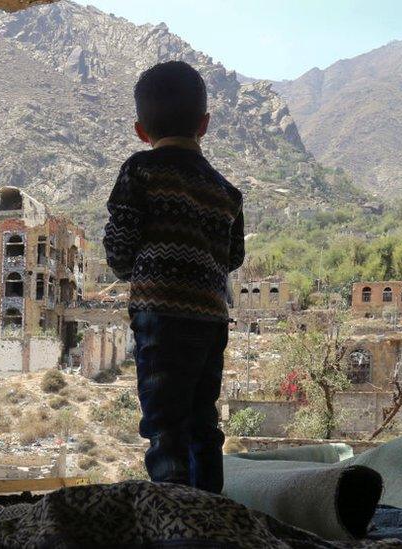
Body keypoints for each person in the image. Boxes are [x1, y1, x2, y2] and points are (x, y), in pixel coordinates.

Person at [103, 60, 245, 493]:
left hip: (160, 320)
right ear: (204, 124)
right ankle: (211, 519)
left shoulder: (140, 171)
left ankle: (176, 521)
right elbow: (233, 258)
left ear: (140, 131)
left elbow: (120, 249)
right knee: (204, 422)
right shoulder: (226, 192)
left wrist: (138, 269)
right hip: (210, 321)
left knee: (165, 425)